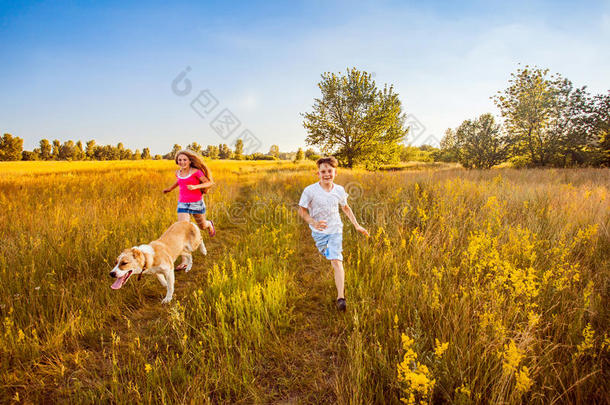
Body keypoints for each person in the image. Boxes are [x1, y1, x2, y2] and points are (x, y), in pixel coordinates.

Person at [298, 156, 369, 312]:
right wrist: (313, 222)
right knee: (328, 255)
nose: (327, 174)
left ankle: (340, 298)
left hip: (336, 230)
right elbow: (301, 210)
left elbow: (346, 208)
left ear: (335, 172)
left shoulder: (339, 190)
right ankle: (329, 254)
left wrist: (357, 225)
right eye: (323, 171)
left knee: (336, 261)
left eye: (330, 171)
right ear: (318, 174)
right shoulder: (310, 191)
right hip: (319, 233)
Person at [163, 149, 215, 270]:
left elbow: (209, 183)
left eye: (184, 160)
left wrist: (195, 186)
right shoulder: (178, 172)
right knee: (183, 230)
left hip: (197, 203)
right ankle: (185, 261)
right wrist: (170, 189)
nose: (182, 162)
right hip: (182, 204)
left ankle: (209, 224)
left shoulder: (196, 172)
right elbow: (179, 181)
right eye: (180, 160)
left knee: (202, 226)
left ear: (190, 161)